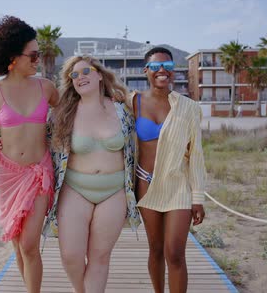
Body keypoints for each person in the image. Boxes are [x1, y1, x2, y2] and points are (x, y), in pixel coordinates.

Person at [43, 56, 141, 293]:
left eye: (86, 71)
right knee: (71, 256)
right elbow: (37, 142)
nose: (80, 77)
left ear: (99, 75)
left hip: (114, 192)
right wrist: (0, 144)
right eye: (74, 75)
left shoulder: (123, 109)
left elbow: (147, 136)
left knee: (99, 257)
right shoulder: (61, 114)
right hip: (75, 189)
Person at [0, 15, 58, 293]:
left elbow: (72, 114)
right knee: (17, 242)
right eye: (33, 55)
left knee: (29, 244)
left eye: (39, 55)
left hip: (38, 173)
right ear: (12, 57)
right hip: (6, 175)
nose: (38, 60)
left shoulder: (46, 87)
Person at [128, 47, 207, 293]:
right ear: (146, 71)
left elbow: (195, 155)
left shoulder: (189, 108)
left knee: (174, 253)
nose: (162, 71)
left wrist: (198, 197)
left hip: (178, 185)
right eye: (155, 66)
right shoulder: (132, 102)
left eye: (168, 67)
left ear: (174, 71)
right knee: (156, 249)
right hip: (146, 185)